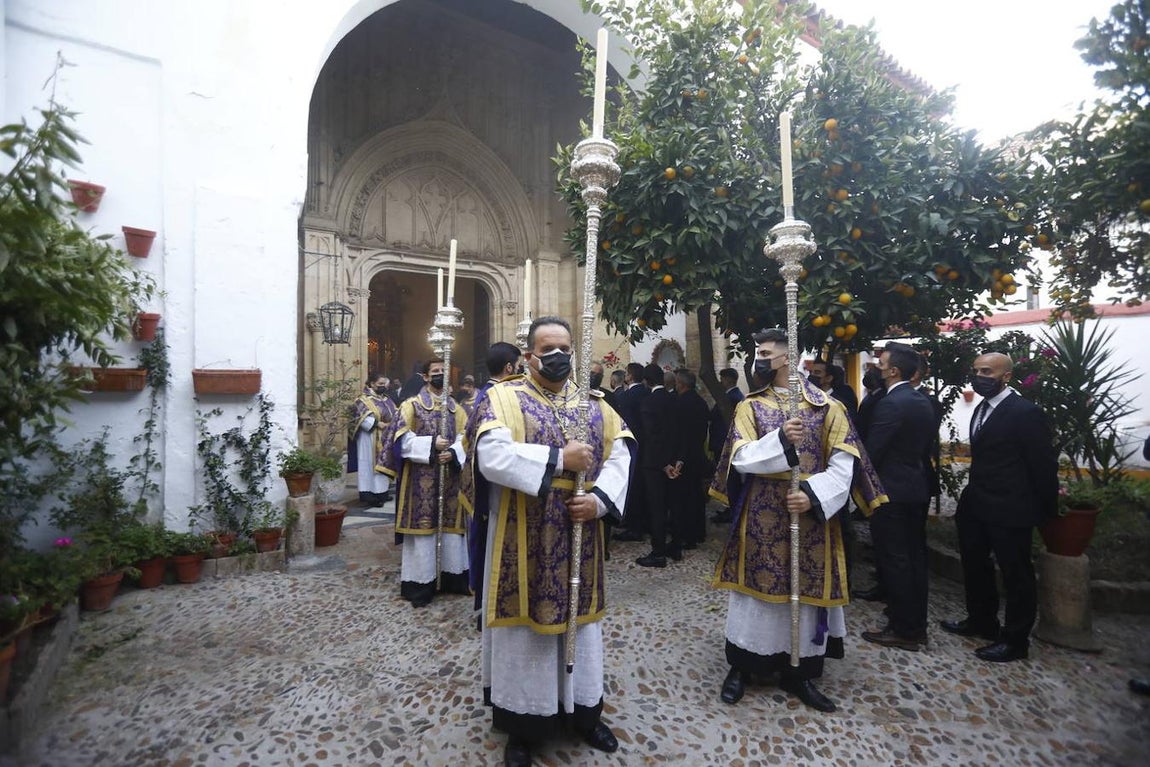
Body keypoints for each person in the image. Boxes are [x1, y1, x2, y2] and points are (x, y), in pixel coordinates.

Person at [462, 316, 634, 767]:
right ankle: (524, 725)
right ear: (529, 355)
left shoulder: (596, 404)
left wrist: (599, 501)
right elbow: (492, 457)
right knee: (525, 630)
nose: (557, 356)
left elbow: (622, 455)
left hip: (582, 531)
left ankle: (585, 711)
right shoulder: (502, 398)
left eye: (564, 348)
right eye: (547, 348)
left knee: (583, 624)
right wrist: (560, 459)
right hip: (522, 533)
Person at [710, 329, 884, 713]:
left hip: (809, 515)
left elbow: (844, 464)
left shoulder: (828, 408)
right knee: (754, 590)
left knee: (804, 594)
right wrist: (780, 441)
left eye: (765, 353)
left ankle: (799, 670)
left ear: (787, 358)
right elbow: (739, 458)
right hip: (762, 512)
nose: (759, 359)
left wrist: (813, 495)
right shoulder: (750, 407)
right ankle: (742, 665)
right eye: (758, 352)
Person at [940, 352, 1058, 663]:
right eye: (976, 370)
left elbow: (1043, 465)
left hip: (1011, 508)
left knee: (1016, 574)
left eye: (987, 371)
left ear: (1006, 376)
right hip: (977, 503)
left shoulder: (1025, 413)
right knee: (974, 565)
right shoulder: (982, 407)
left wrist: (1047, 510)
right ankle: (981, 620)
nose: (980, 376)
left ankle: (1015, 640)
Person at [859, 342, 936, 652]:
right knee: (915, 558)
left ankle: (905, 629)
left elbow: (874, 451)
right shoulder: (920, 400)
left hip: (891, 491)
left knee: (896, 560)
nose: (877, 365)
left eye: (882, 362)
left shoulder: (892, 404)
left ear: (893, 371)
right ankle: (913, 621)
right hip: (915, 486)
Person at [378, 359, 469, 608]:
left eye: (443, 372)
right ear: (426, 377)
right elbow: (399, 438)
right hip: (420, 480)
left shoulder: (456, 409)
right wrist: (430, 445)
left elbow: (466, 436)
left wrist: (452, 451)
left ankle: (453, 578)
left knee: (451, 529)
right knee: (423, 532)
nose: (440, 375)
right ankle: (421, 584)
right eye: (435, 372)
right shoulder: (412, 405)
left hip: (449, 479)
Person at [636, 363, 676, 567]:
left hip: (654, 463)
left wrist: (662, 463)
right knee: (673, 504)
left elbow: (651, 436)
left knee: (656, 508)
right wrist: (674, 461)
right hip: (674, 462)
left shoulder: (649, 402)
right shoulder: (674, 399)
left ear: (646, 381)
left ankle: (658, 552)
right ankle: (675, 546)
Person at [669, 368, 711, 548]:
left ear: (682, 384)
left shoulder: (681, 403)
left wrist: (679, 458)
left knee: (683, 498)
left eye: (677, 382)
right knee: (696, 496)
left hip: (684, 456)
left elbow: (681, 433)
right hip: (697, 453)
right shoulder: (701, 402)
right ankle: (698, 531)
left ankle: (686, 535)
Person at [348, 371, 397, 507]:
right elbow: (359, 416)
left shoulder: (386, 399)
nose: (383, 386)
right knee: (369, 465)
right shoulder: (362, 400)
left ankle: (382, 493)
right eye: (380, 384)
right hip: (369, 439)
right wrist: (376, 423)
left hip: (385, 437)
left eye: (384, 384)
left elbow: (395, 413)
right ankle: (370, 495)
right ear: (371, 384)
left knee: (383, 465)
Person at [613, 362, 649, 541]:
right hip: (646, 444)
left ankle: (634, 525)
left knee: (633, 485)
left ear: (630, 376)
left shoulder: (626, 397)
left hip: (631, 444)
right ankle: (641, 521)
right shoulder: (647, 393)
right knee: (642, 486)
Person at [708, 367, 744, 525]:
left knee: (729, 477)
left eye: (722, 379)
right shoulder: (729, 396)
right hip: (720, 440)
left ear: (728, 379)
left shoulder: (733, 397)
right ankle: (728, 506)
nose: (720, 382)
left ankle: (731, 508)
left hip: (724, 440)